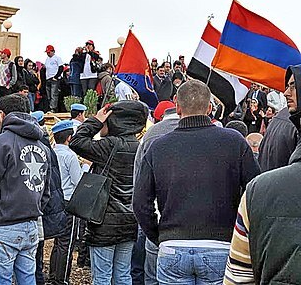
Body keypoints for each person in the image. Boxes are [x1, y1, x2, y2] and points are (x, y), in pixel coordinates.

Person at [133, 80, 260, 285]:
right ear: (210, 108)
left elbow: (140, 202)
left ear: (177, 106)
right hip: (219, 245)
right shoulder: (234, 142)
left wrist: (160, 236)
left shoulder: (157, 147)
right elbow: (255, 191)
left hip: (172, 246)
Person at [224, 65, 301, 283]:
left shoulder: (257, 191)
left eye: (293, 87)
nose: (286, 93)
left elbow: (237, 280)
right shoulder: (257, 191)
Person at [70, 101, 147, 285]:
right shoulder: (140, 147)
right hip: (129, 221)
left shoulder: (110, 145)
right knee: (122, 276)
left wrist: (94, 121)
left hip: (103, 223)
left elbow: (77, 141)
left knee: (102, 277)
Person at [0, 94, 51, 284]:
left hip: (3, 225)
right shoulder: (42, 145)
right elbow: (46, 190)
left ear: (1, 114)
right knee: (28, 280)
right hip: (31, 224)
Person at [132, 100, 178, 285]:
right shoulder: (205, 133)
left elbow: (138, 178)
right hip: (189, 222)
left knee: (148, 272)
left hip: (154, 211)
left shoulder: (151, 135)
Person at [48, 119, 82, 285]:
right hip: (68, 201)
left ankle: (53, 275)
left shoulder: (50, 153)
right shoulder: (69, 156)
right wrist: (86, 167)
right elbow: (78, 181)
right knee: (66, 243)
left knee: (57, 241)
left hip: (54, 201)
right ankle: (61, 279)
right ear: (69, 138)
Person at [44, 45, 63, 112]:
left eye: (49, 52)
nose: (48, 54)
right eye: (47, 52)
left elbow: (61, 68)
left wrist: (56, 76)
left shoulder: (57, 58)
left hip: (54, 78)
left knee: (54, 94)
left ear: (53, 51)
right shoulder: (47, 59)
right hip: (48, 78)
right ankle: (50, 107)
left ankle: (53, 108)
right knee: (49, 95)